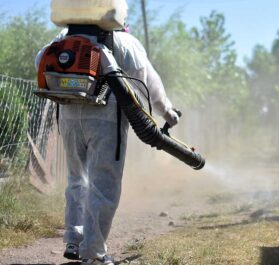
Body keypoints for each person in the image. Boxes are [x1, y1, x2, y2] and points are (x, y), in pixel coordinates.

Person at [35, 2, 179, 264]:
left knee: (77, 179)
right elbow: (148, 82)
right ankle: (94, 253)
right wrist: (167, 113)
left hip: (68, 116)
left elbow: (40, 61)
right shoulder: (124, 41)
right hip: (105, 120)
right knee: (103, 184)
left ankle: (74, 239)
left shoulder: (64, 37)